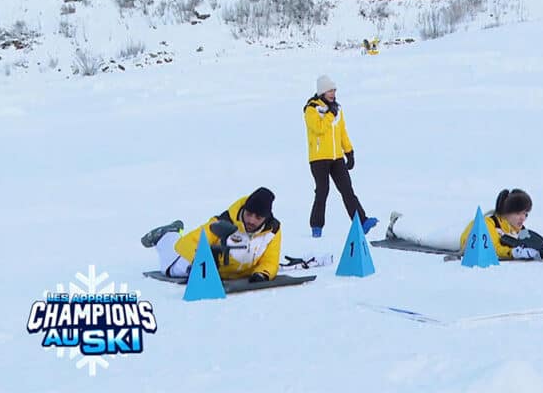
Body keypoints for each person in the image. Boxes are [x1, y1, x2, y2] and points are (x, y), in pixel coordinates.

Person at [141, 187, 282, 282]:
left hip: (235, 274)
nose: (251, 220)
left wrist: (262, 274)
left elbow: (270, 260)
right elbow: (184, 244)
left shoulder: (273, 231)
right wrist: (203, 260)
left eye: (258, 218)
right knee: (171, 268)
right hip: (202, 267)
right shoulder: (223, 223)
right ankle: (168, 234)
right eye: (249, 214)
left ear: (266, 218)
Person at [304, 75, 377, 237]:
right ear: (322, 91)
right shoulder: (311, 109)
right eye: (330, 90)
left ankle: (361, 221)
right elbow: (318, 129)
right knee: (322, 191)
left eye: (334, 90)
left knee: (347, 189)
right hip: (319, 158)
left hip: (337, 157)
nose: (333, 93)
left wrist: (349, 152)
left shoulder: (337, 108)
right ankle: (316, 226)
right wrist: (330, 114)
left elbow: (342, 131)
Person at [458, 189, 543, 260]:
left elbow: (529, 241)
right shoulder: (488, 224)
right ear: (505, 212)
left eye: (525, 214)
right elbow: (491, 248)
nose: (523, 218)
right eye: (518, 213)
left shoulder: (518, 229)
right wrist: (514, 252)